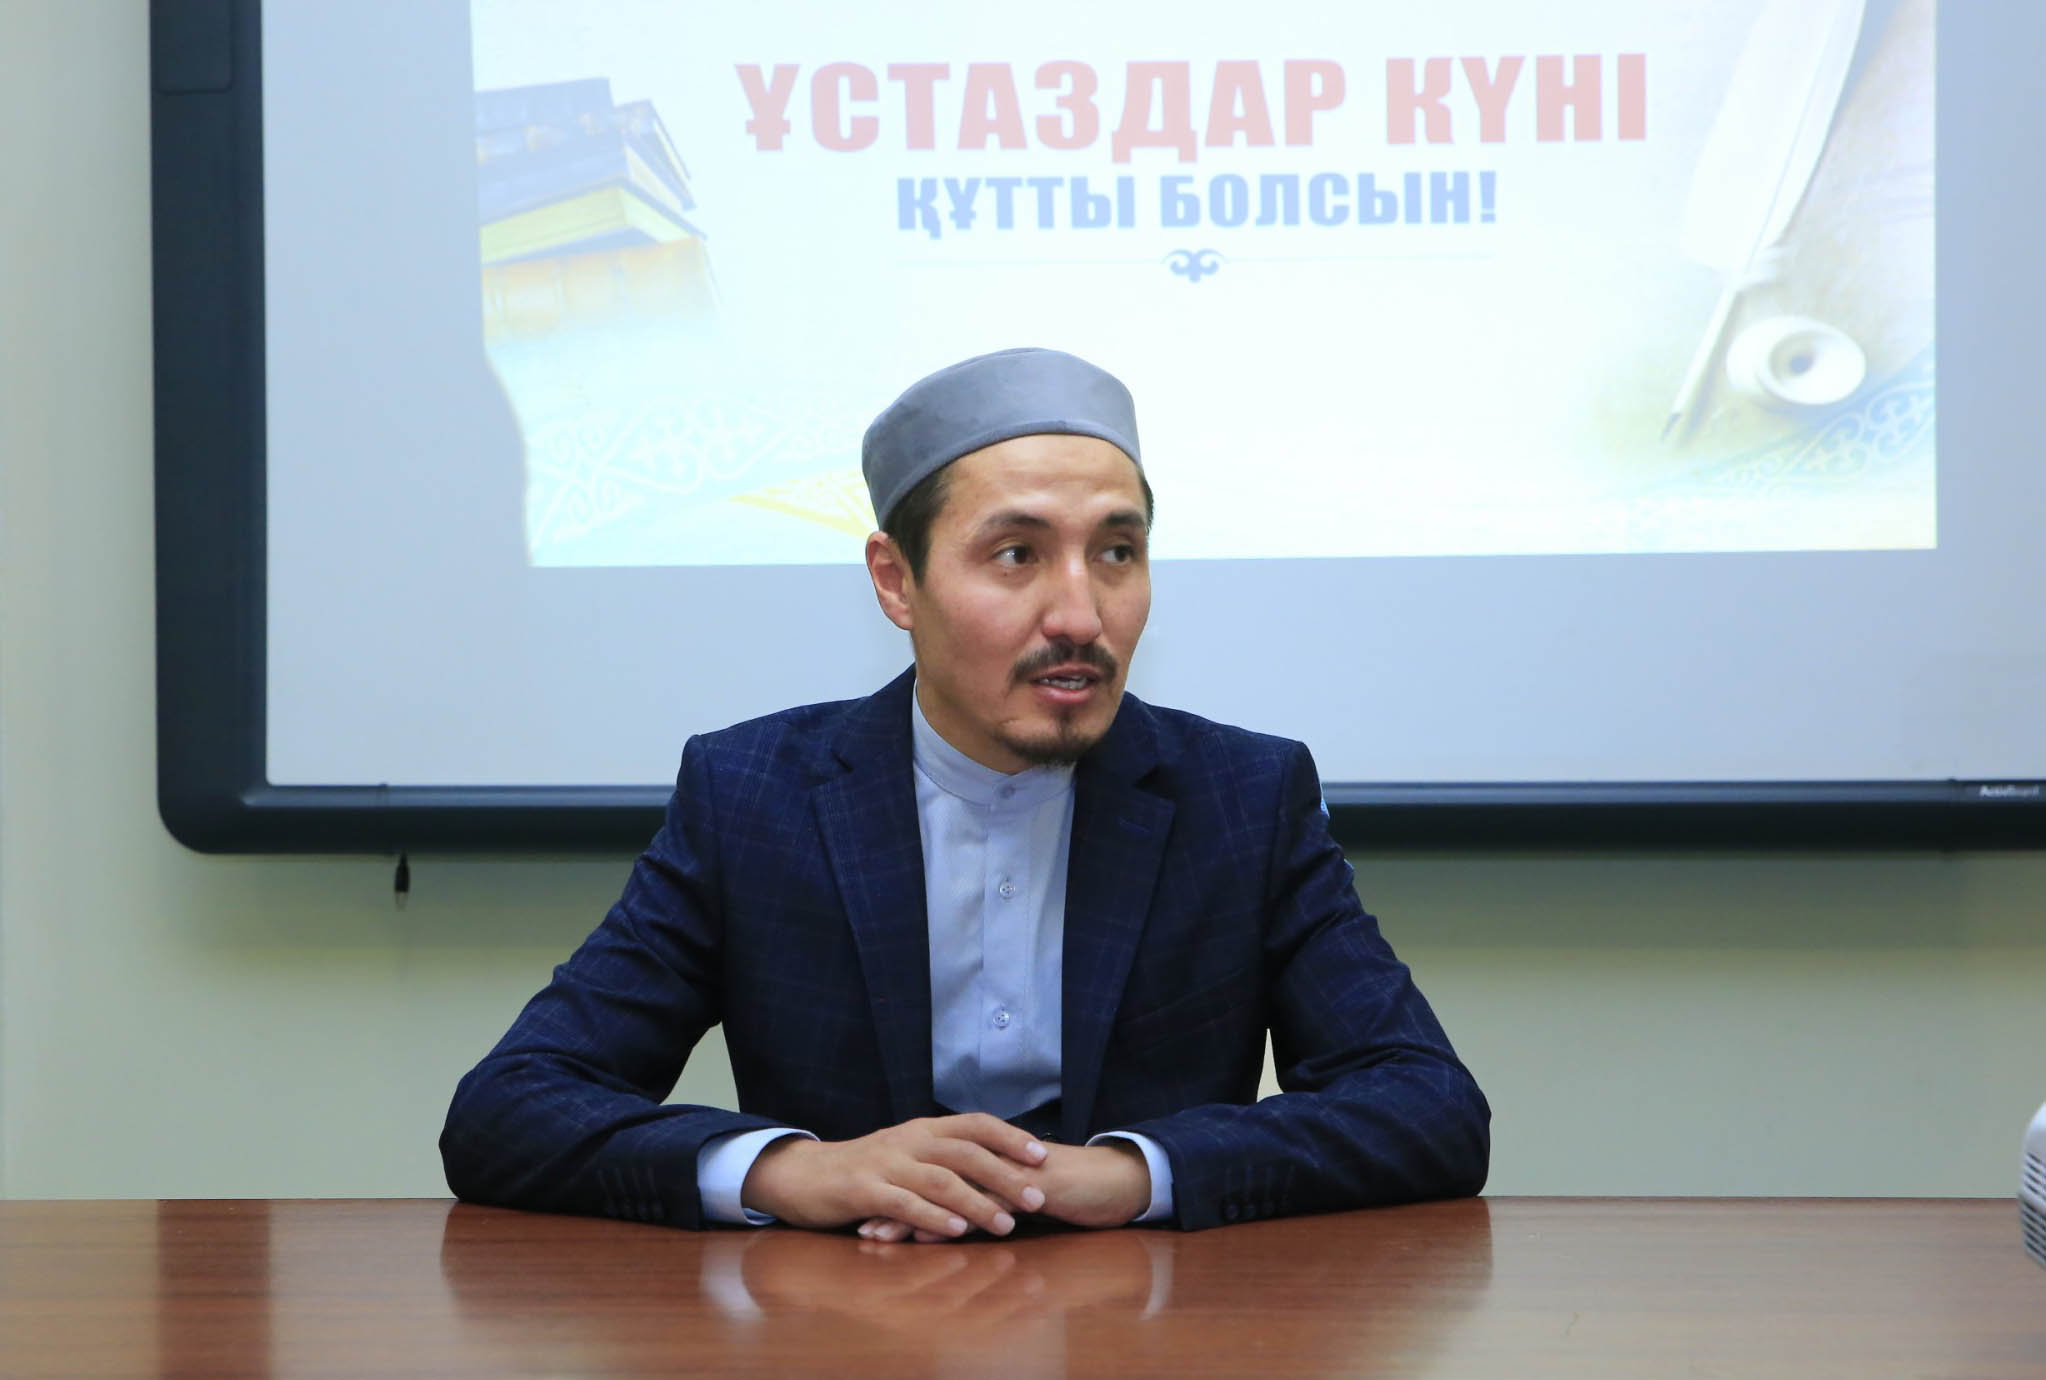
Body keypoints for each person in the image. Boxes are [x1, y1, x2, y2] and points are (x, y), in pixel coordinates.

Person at [441, 347, 1488, 1239]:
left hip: (1149, 1330)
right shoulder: (753, 796)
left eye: (1117, 553)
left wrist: (1134, 1173)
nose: (1080, 614)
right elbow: (508, 1110)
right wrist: (795, 1171)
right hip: (843, 1326)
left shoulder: (1243, 797)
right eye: (1017, 554)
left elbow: (1429, 1106)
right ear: (896, 581)